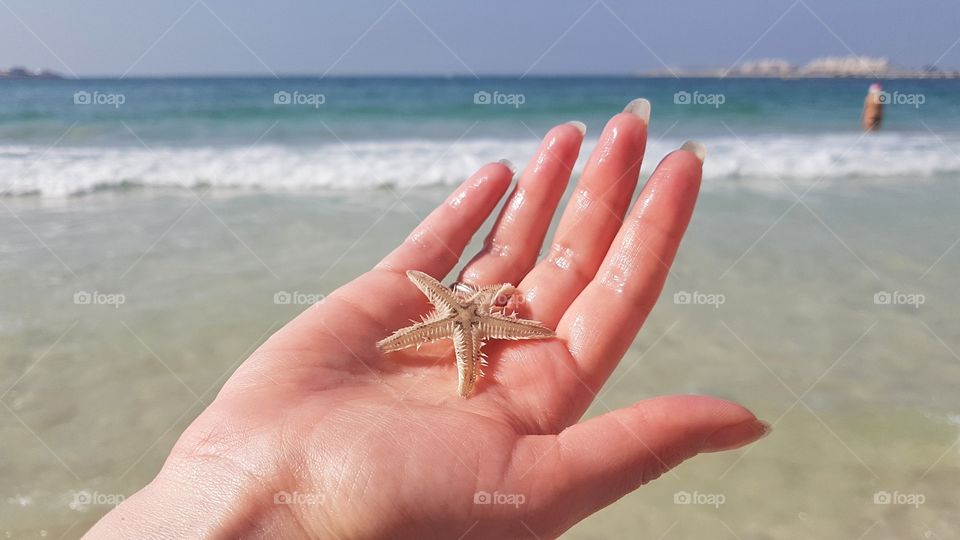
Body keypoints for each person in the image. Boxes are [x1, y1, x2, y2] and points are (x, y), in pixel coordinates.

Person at [85, 98, 768, 539]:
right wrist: (271, 503)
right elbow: (441, 314)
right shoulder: (452, 315)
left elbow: (478, 321)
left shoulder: (476, 318)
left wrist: (254, 504)